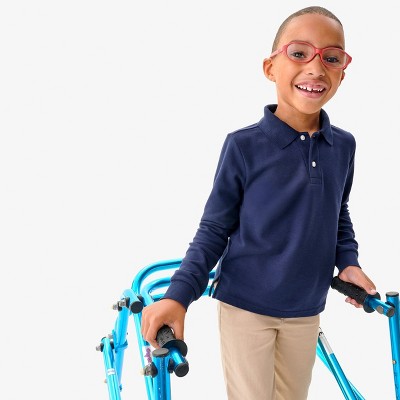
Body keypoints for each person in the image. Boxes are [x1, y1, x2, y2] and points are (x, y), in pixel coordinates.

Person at [141, 6, 377, 400]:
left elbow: (338, 212)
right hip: (246, 306)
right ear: (270, 68)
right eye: (299, 53)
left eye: (331, 58)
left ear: (342, 73)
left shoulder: (343, 146)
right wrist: (178, 296)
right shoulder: (244, 146)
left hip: (306, 308)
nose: (316, 68)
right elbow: (214, 230)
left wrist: (348, 262)